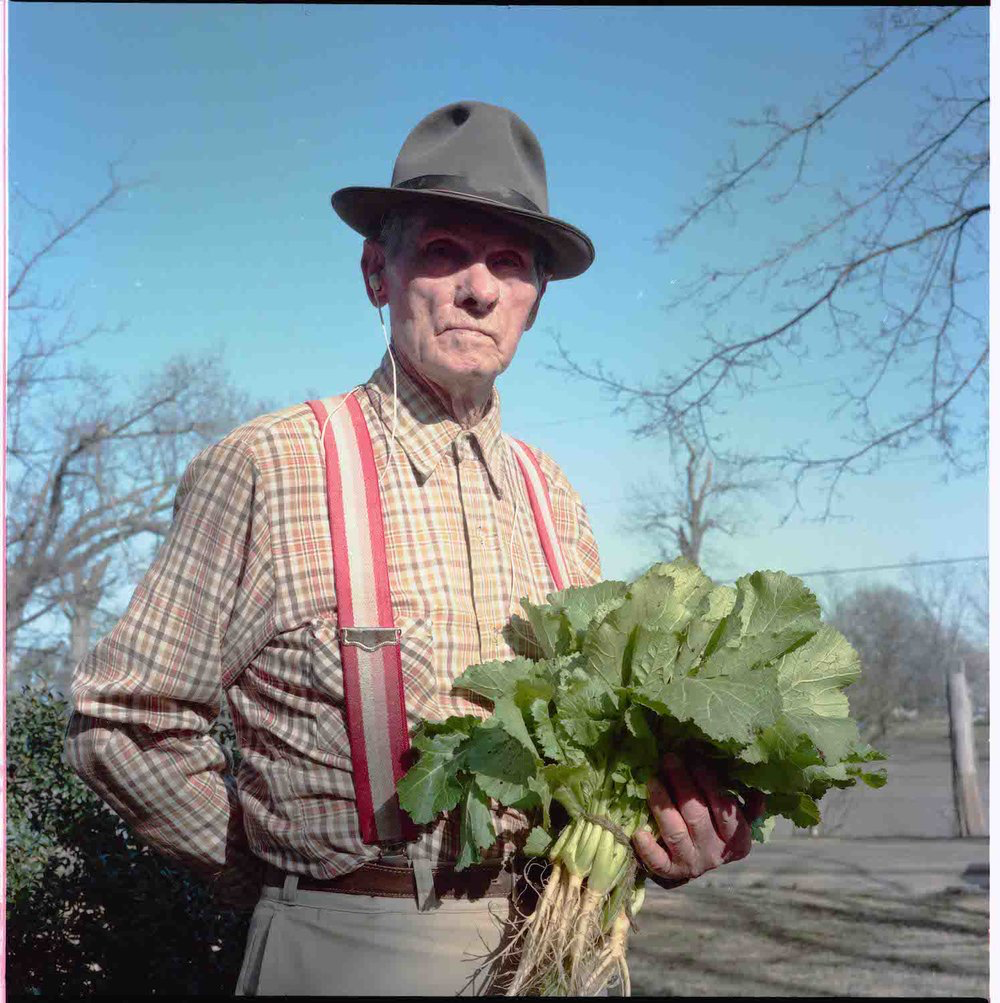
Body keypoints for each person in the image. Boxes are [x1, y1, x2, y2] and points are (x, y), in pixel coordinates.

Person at [65, 100, 763, 997]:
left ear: (533, 302)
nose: (479, 287)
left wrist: (666, 838)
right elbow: (124, 721)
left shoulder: (556, 499)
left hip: (562, 952)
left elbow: (598, 755)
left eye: (509, 264)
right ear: (376, 272)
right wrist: (279, 879)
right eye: (444, 251)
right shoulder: (272, 465)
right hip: (349, 953)